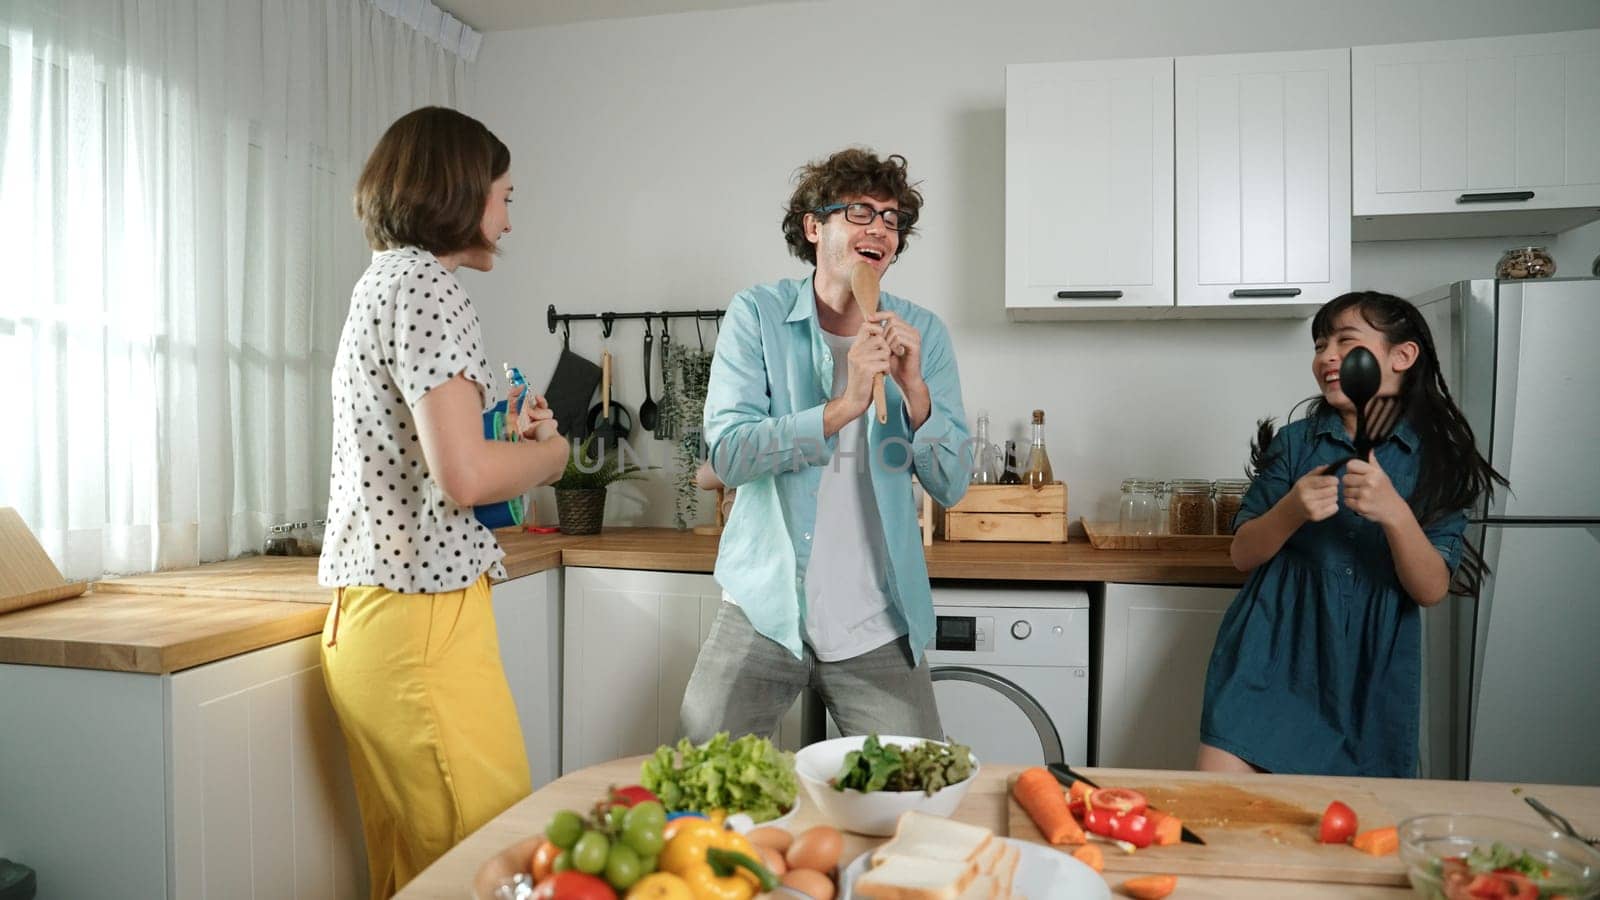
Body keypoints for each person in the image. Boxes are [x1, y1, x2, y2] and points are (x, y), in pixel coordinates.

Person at [318, 106, 569, 897]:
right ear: (460, 192)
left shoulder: (387, 282)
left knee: (416, 875)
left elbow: (429, 456)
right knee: (488, 864)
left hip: (377, 618)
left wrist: (505, 434)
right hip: (419, 621)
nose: (508, 217)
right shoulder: (429, 287)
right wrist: (549, 457)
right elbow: (462, 477)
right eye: (505, 195)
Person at [680, 147, 972, 743]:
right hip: (766, 609)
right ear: (814, 227)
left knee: (916, 795)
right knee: (700, 781)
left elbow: (952, 483)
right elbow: (730, 454)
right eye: (861, 212)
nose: (881, 230)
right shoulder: (756, 315)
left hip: (878, 620)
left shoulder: (925, 335)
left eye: (892, 220)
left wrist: (915, 391)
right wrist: (843, 407)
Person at [1198, 290, 1506, 777]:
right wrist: (1291, 509)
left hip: (1369, 676)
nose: (1327, 357)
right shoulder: (1295, 444)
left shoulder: (1437, 461)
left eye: (1346, 341)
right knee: (1220, 816)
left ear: (1402, 356)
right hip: (1270, 657)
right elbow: (1243, 554)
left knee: (1352, 839)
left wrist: (1395, 514)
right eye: (1320, 345)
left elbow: (1430, 589)